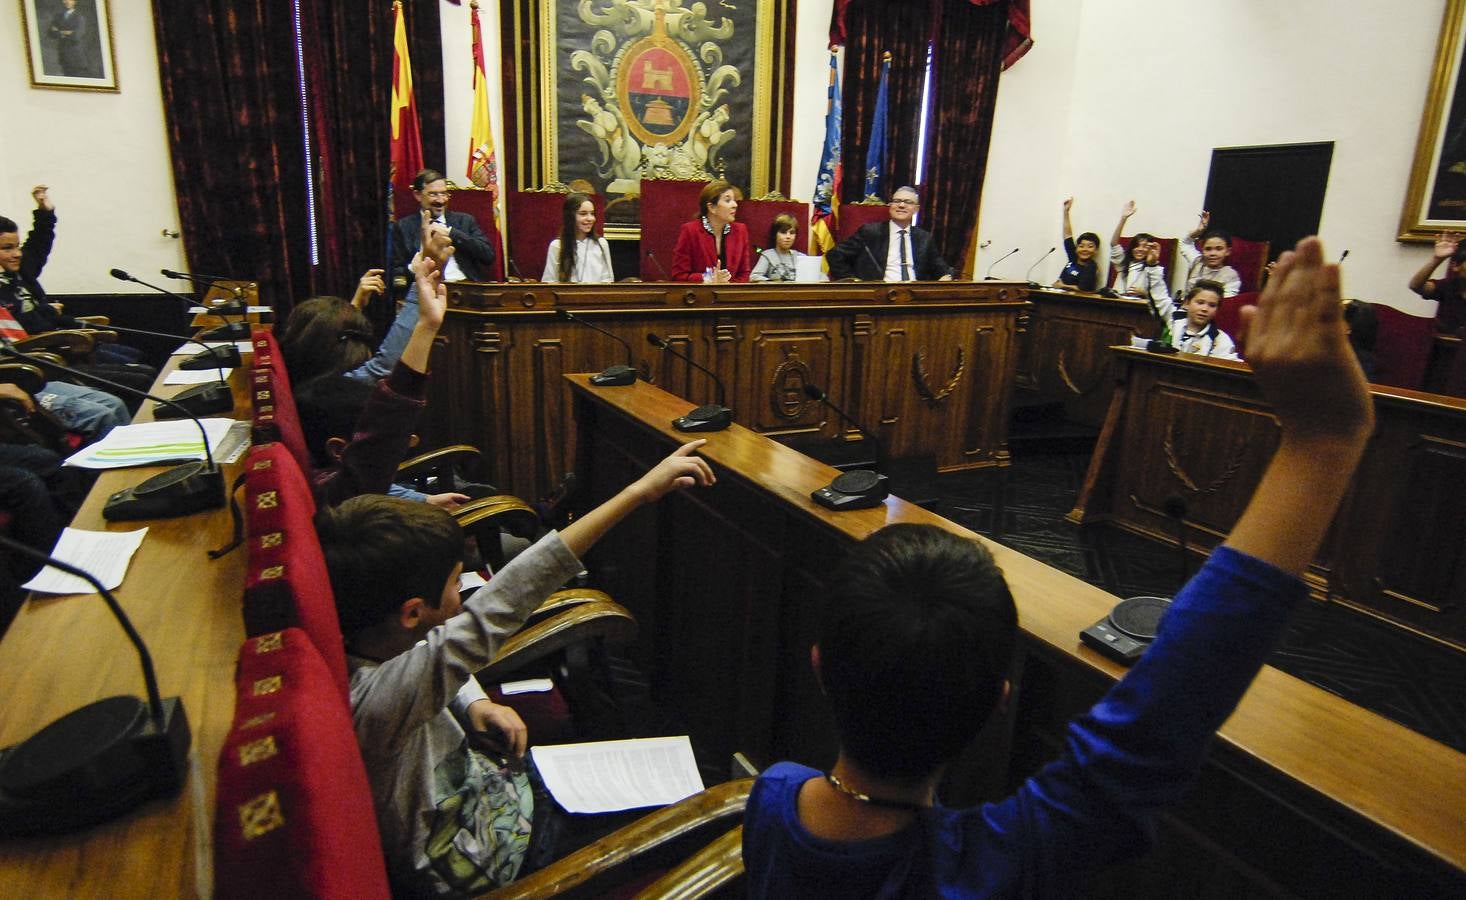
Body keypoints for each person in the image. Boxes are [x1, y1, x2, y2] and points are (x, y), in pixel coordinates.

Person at [742, 236, 1374, 898]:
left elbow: (1161, 719)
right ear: (996, 707)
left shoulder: (771, 799)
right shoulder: (997, 863)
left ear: (820, 667)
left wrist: (1319, 446)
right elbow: (1154, 723)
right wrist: (1323, 443)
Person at [315, 441, 714, 896]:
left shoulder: (367, 644)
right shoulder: (377, 701)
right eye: (454, 583)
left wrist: (474, 701)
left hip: (496, 791)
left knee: (682, 771)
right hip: (503, 858)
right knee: (710, 804)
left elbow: (425, 655)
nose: (462, 594)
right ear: (411, 611)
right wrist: (638, 492)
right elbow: (503, 601)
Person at [1, 187, 154, 381]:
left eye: (17, 247)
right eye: (7, 249)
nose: (17, 254)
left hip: (65, 339)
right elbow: (26, 324)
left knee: (139, 359)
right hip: (46, 353)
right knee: (142, 377)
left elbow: (39, 242)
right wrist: (49, 311)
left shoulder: (21, 269)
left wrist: (45, 212)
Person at [389, 168, 496, 287]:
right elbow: (396, 272)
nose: (441, 200)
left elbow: (488, 256)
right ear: (418, 195)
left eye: (444, 194)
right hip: (423, 289)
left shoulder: (465, 221)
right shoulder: (403, 227)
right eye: (433, 194)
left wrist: (452, 233)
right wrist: (413, 268)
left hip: (465, 288)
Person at [826, 186, 955, 282]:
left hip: (914, 298)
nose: (901, 205)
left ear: (916, 209)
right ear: (890, 206)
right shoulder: (871, 232)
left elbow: (942, 268)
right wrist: (853, 281)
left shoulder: (924, 238)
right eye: (897, 201)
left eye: (908, 202)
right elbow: (835, 255)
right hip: (879, 296)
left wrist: (946, 276)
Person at [670, 180, 752, 283]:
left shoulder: (740, 231)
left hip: (731, 296)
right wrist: (708, 278)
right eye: (728, 200)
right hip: (700, 296)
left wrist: (728, 286)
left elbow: (744, 273)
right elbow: (679, 275)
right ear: (712, 207)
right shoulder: (690, 231)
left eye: (734, 200)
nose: (735, 205)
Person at [542, 192, 614, 283]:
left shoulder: (601, 243)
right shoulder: (557, 246)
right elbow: (549, 281)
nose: (590, 218)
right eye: (583, 214)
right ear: (570, 216)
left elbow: (608, 279)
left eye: (592, 213)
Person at [1160, 280, 1240, 359]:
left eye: (1212, 305)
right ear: (1187, 303)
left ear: (1217, 310)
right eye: (1200, 303)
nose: (1204, 309)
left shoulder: (1221, 340)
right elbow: (1160, 296)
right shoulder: (1172, 322)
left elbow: (1234, 366)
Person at [1108, 200, 1170, 302]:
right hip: (1118, 303)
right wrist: (1123, 219)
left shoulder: (1155, 269)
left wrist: (1144, 293)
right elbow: (1113, 244)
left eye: (1145, 246)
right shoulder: (1124, 264)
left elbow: (1160, 295)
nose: (1140, 249)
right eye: (1137, 246)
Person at [1407, 231, 1466, 334]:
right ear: (1456, 266)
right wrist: (1437, 259)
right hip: (1445, 346)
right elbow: (1416, 286)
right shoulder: (1450, 286)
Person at [1179, 211, 1241, 297]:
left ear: (1227, 251)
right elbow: (1185, 243)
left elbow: (1227, 302)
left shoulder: (1230, 275)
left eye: (1219, 249)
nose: (1213, 253)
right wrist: (1199, 230)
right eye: (1208, 249)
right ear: (1202, 250)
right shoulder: (1197, 261)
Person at [1054, 197, 1100, 292]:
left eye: (1090, 246)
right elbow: (1067, 235)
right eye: (1081, 246)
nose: (1085, 249)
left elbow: (1083, 289)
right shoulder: (1073, 258)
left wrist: (1062, 286)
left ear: (1096, 250)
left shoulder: (1091, 266)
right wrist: (1066, 212)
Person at [750, 213, 808, 282]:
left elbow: (818, 277)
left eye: (792, 233)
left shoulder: (801, 257)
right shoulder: (768, 255)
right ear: (775, 234)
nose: (788, 236)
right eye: (783, 232)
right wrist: (774, 283)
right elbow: (754, 277)